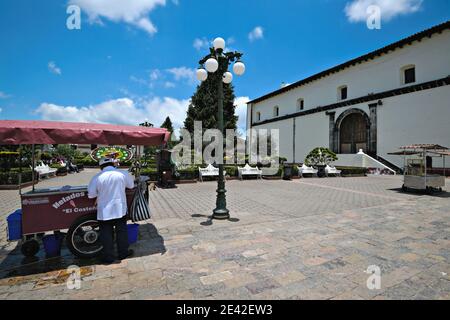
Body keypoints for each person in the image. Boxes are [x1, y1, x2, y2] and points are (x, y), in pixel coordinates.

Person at [88, 157, 135, 264]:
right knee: (121, 231)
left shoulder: (97, 177)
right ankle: (123, 253)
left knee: (106, 234)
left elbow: (91, 195)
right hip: (120, 209)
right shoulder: (122, 173)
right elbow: (131, 185)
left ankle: (108, 257)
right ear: (113, 164)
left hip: (104, 211)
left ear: (101, 167)